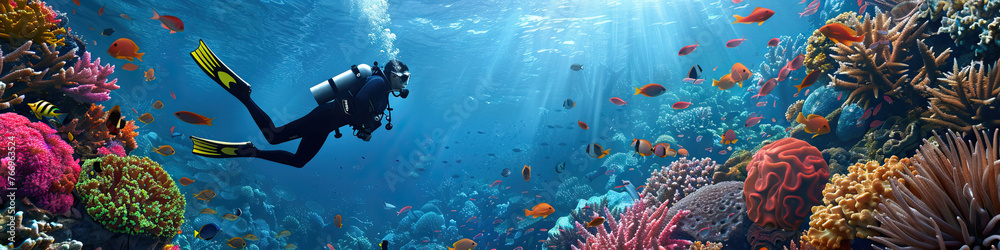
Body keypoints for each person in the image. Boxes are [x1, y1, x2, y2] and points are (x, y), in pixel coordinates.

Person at [187, 40, 410, 168]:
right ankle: (245, 96)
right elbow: (360, 101)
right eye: (404, 77)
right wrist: (365, 123)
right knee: (274, 136)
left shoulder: (384, 90)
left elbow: (360, 108)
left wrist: (365, 127)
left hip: (329, 123)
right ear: (393, 74)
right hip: (326, 116)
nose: (406, 82)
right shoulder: (380, 82)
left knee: (299, 161)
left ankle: (251, 151)